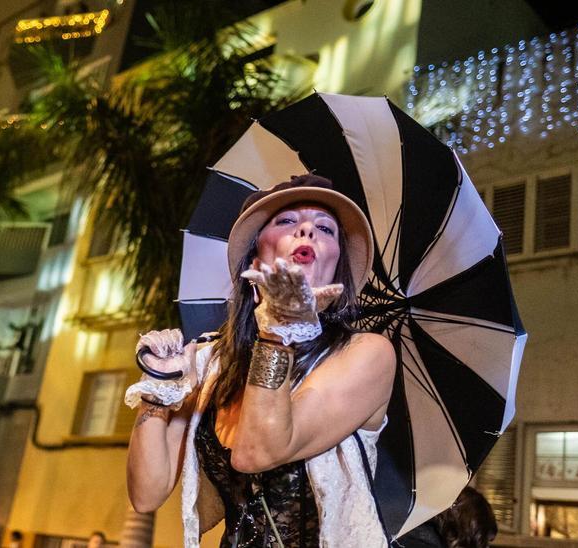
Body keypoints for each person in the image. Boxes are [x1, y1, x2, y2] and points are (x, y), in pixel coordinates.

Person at [126, 175, 394, 547]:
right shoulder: (212, 363)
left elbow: (257, 452)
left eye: (325, 228)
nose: (306, 230)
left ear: (337, 267)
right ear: (255, 261)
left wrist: (280, 330)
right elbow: (146, 494)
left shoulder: (366, 354)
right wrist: (157, 395)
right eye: (286, 221)